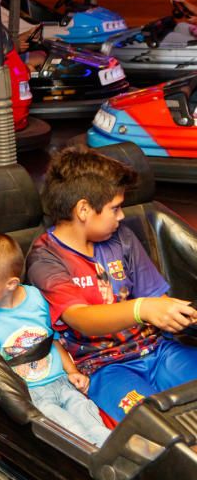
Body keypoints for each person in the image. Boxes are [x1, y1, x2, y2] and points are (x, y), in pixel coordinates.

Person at [26, 145, 197, 422]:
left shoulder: (122, 238)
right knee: (155, 428)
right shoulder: (45, 257)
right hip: (103, 368)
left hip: (157, 350)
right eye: (115, 208)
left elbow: (157, 300)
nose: (121, 216)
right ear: (83, 209)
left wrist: (181, 314)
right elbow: (80, 318)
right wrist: (141, 309)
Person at [0, 231, 111, 446]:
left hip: (62, 382)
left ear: (11, 284)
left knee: (92, 420)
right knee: (74, 432)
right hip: (33, 395)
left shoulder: (37, 299)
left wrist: (72, 371)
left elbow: (51, 340)